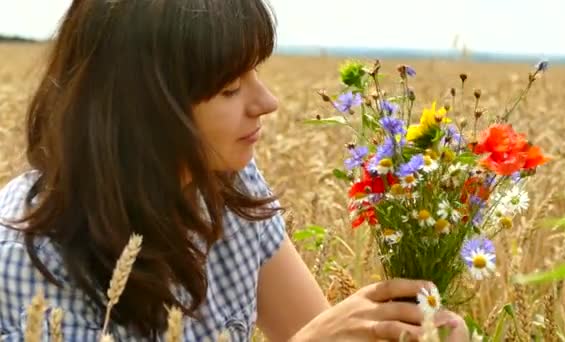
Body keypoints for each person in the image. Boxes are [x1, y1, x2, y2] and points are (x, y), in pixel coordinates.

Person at [0, 0, 468, 341]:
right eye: (229, 88)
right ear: (142, 109)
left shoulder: (229, 178)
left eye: (255, 74)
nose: (267, 103)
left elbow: (307, 326)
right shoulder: (34, 250)